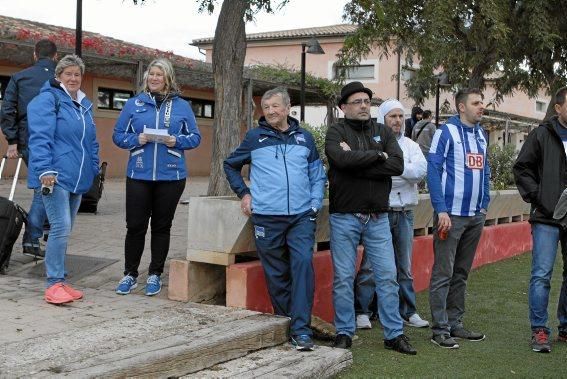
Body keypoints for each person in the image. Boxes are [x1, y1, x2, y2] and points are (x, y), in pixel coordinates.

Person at [224, 87, 326, 351]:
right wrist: (244, 194)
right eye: (266, 107)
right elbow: (230, 165)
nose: (270, 111)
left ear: (288, 107)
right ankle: (288, 323)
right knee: (277, 274)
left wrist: (314, 204)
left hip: (301, 216)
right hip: (267, 217)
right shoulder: (254, 138)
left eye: (275, 106)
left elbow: (317, 174)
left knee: (303, 265)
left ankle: (301, 330)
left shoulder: (305, 138)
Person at [325, 81, 417, 355]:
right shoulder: (335, 131)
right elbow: (339, 160)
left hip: (377, 217)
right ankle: (344, 332)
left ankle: (394, 335)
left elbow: (397, 165)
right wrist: (378, 157)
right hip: (344, 217)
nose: (364, 105)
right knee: (343, 277)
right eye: (357, 101)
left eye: (367, 101)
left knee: (388, 277)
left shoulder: (383, 131)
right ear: (343, 107)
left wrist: (358, 160)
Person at [113, 58, 201, 297]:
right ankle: (130, 274)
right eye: (151, 74)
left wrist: (177, 140)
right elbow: (118, 135)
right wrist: (135, 139)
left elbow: (195, 137)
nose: (154, 78)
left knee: (162, 227)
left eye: (159, 75)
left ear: (168, 78)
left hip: (171, 176)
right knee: (135, 226)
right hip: (138, 174)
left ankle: (154, 274)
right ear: (146, 78)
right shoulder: (134, 104)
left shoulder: (181, 106)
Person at [27, 54, 99, 304]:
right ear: (58, 76)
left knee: (65, 231)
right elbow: (39, 138)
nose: (73, 78)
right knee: (60, 228)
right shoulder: (47, 100)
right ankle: (53, 284)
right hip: (55, 177)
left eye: (77, 74)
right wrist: (44, 170)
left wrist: (93, 168)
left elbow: (91, 141)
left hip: (77, 178)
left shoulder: (83, 104)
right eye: (68, 73)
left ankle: (60, 279)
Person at [354, 99, 429, 331]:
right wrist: (397, 168)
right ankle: (363, 311)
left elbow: (419, 172)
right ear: (383, 119)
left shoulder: (411, 145)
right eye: (392, 117)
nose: (397, 121)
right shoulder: (373, 143)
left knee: (404, 265)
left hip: (405, 212)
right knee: (370, 265)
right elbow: (374, 172)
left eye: (399, 116)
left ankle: (408, 311)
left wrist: (393, 166)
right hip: (380, 212)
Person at [427, 88, 490, 349]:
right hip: (450, 215)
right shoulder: (445, 132)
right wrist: (441, 209)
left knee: (461, 272)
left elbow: (485, 171)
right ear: (461, 107)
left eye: (482, 102)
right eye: (476, 103)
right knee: (444, 272)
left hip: (475, 215)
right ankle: (439, 329)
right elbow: (433, 169)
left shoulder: (482, 134)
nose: (481, 107)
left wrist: (484, 205)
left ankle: (455, 323)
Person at [513, 86, 567, 353]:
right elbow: (521, 168)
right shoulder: (542, 134)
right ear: (558, 108)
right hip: (546, 216)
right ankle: (539, 331)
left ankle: (565, 327)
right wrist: (540, 197)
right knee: (542, 275)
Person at [0, 39, 57, 260]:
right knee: (47, 188)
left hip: (28, 139)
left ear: (35, 55)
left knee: (43, 187)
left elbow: (7, 109)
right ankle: (36, 236)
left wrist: (12, 141)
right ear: (55, 57)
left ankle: (38, 234)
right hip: (56, 140)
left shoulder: (19, 77)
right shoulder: (61, 78)